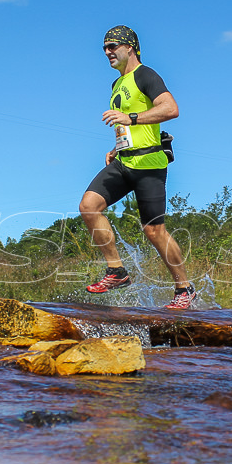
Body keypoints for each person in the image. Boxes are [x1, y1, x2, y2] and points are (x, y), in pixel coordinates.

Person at [79, 25, 195, 309]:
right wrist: (116, 147)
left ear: (129, 47)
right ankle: (117, 271)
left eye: (112, 46)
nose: (107, 52)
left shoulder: (146, 75)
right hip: (124, 160)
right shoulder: (116, 84)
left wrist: (131, 117)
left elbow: (171, 108)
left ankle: (184, 288)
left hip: (149, 164)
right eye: (104, 48)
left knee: (154, 231)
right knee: (88, 206)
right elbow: (128, 126)